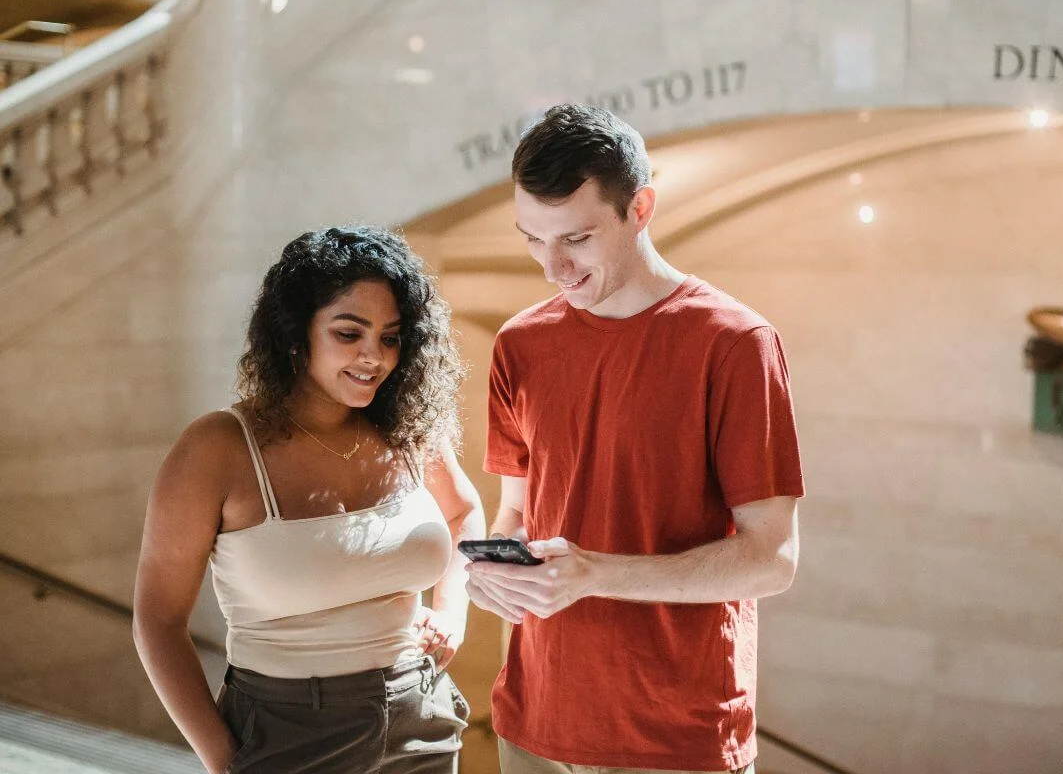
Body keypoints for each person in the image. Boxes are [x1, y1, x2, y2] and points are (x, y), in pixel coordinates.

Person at [466, 105, 805, 773]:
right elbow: (517, 512)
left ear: (641, 207)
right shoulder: (520, 345)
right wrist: (490, 573)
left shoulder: (736, 344)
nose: (553, 267)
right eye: (533, 238)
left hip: (675, 741)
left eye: (578, 238)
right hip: (530, 724)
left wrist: (597, 574)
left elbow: (773, 559)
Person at [133, 226, 485, 774]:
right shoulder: (218, 448)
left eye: (390, 337)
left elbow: (463, 512)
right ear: (297, 335)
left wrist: (452, 615)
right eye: (349, 333)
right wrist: (226, 761)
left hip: (422, 718)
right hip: (284, 731)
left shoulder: (408, 430)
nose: (374, 357)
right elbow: (157, 621)